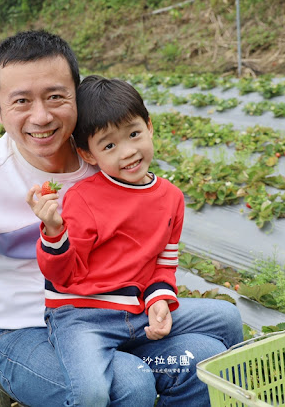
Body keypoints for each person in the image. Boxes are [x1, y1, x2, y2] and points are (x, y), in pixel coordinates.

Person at [0, 30, 243, 406]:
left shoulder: (107, 158)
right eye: (21, 101)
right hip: (24, 332)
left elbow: (154, 237)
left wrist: (156, 296)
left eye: (55, 96)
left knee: (205, 351)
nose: (41, 116)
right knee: (128, 383)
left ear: (76, 97)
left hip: (120, 310)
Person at [28, 75, 189, 405]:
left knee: (225, 320)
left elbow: (164, 263)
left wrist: (159, 298)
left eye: (133, 134)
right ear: (88, 154)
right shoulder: (84, 199)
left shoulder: (172, 198)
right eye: (109, 145)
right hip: (81, 315)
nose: (128, 152)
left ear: (149, 126)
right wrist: (55, 231)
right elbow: (61, 275)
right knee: (92, 392)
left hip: (135, 310)